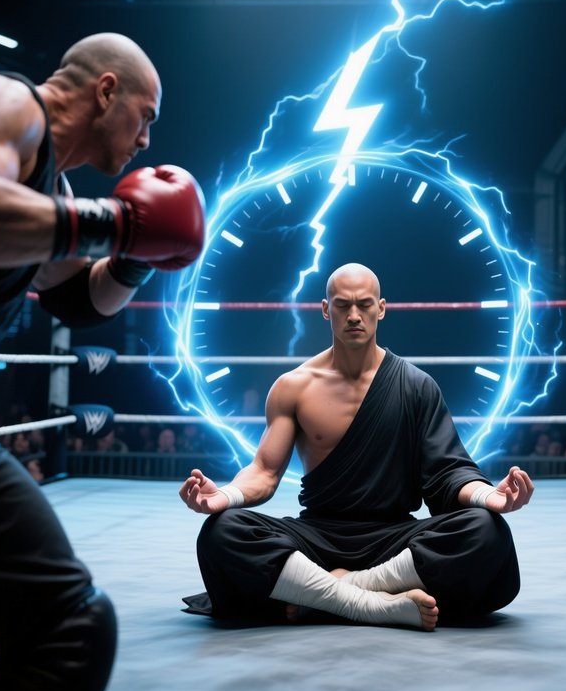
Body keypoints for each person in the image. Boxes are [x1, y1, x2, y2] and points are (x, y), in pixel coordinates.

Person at [0, 33, 205, 691]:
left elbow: (81, 301)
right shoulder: (4, 103)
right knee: (67, 629)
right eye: (146, 115)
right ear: (106, 91)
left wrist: (138, 254)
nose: (147, 139)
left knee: (68, 628)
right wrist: (117, 222)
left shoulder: (49, 189)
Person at [180, 263, 533, 631]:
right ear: (324, 309)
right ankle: (370, 604)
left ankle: (333, 593)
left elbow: (449, 471)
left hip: (394, 539)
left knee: (486, 530)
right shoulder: (293, 386)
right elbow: (265, 473)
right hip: (317, 537)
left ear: (381, 308)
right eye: (342, 305)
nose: (353, 316)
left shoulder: (416, 385)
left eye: (364, 305)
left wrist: (489, 496)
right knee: (222, 531)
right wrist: (224, 496)